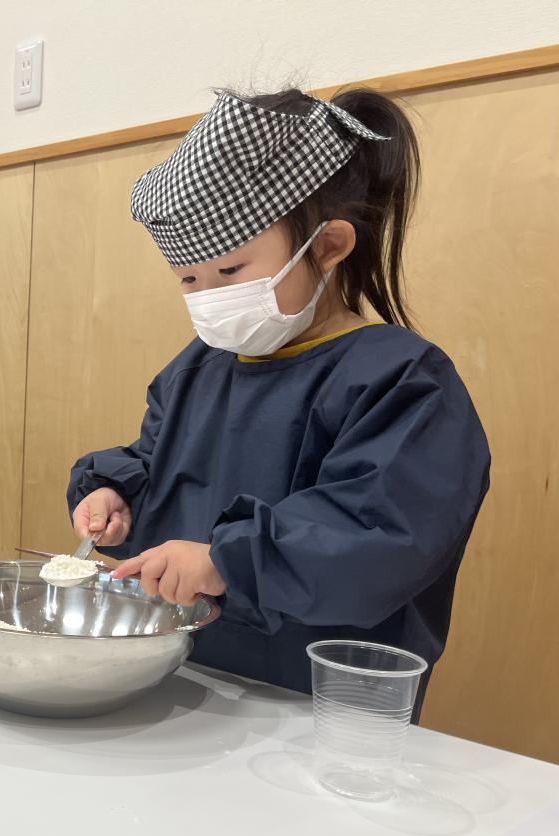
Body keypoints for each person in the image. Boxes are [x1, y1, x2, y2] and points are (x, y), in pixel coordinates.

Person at [67, 88, 490, 698]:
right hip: (188, 675)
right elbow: (161, 465)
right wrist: (116, 495)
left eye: (230, 271)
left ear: (328, 247)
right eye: (189, 278)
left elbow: (378, 537)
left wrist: (225, 561)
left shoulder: (401, 381)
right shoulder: (198, 370)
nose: (209, 296)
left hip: (321, 697)